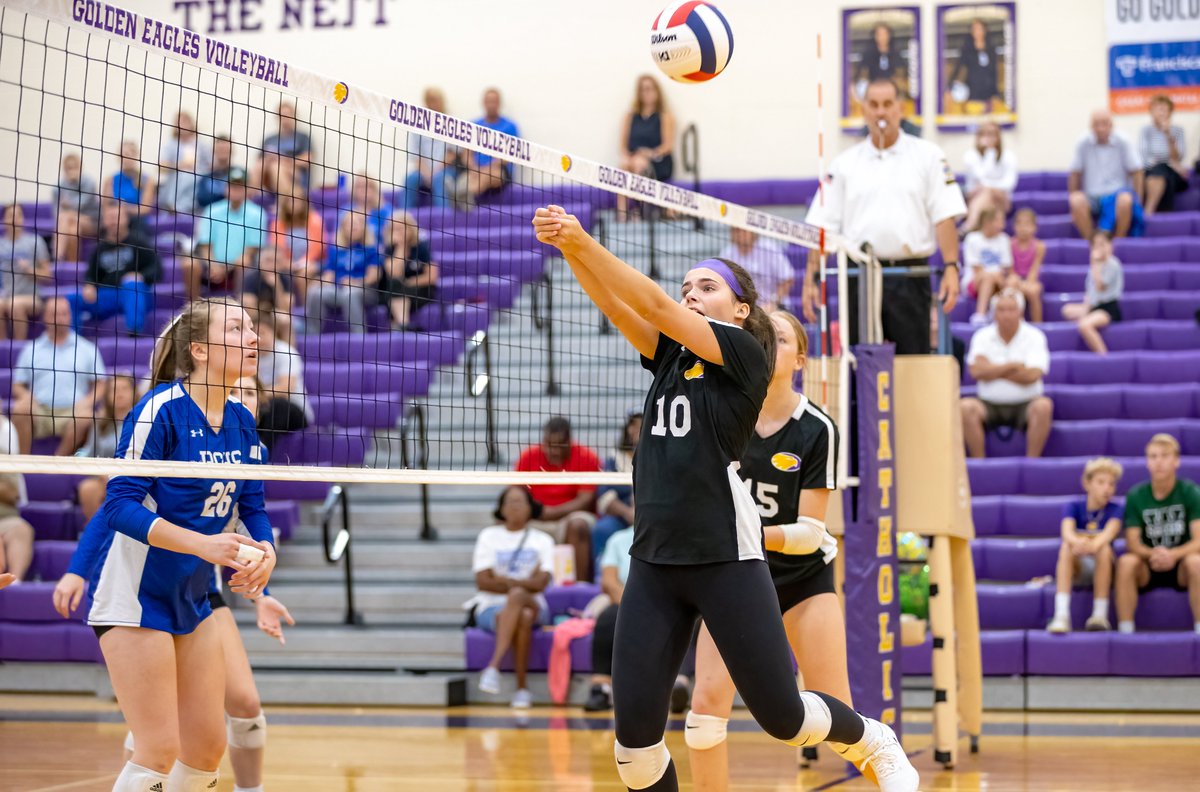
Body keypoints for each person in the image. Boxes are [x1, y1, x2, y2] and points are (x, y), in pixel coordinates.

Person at [533, 205, 917, 792]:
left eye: (706, 287)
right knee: (633, 747)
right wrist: (570, 252)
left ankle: (870, 737)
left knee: (784, 718)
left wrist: (585, 238)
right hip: (656, 558)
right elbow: (618, 306)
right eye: (686, 286)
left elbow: (655, 305)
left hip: (724, 557)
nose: (689, 294)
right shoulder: (670, 357)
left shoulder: (745, 354)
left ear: (741, 309)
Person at [83, 296, 276, 791]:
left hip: (191, 596)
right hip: (136, 594)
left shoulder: (242, 419)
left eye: (252, 329)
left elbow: (252, 507)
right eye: (237, 329)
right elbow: (118, 505)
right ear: (200, 349)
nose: (253, 338)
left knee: (207, 750)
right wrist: (202, 545)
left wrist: (267, 551)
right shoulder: (161, 410)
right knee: (158, 749)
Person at [687, 310, 853, 789]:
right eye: (759, 336)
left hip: (801, 577)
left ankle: (887, 764)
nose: (765, 344)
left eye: (778, 339)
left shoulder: (817, 428)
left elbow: (809, 533)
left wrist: (750, 533)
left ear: (799, 358)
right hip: (734, 577)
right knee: (706, 705)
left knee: (838, 713)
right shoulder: (720, 413)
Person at [54, 506, 293, 792]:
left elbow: (243, 518)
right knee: (157, 741)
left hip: (201, 590)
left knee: (243, 706)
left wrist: (261, 595)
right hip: (145, 588)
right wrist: (77, 571)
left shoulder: (237, 468)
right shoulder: (159, 470)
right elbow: (114, 507)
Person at [803, 78, 966, 355]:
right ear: (864, 110)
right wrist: (810, 278)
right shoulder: (843, 164)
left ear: (899, 109)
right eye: (874, 105)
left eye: (888, 104)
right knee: (858, 364)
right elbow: (822, 227)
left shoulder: (928, 156)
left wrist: (951, 266)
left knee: (911, 362)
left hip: (910, 276)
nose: (881, 112)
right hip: (858, 277)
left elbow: (945, 215)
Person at [468, 486, 556, 709]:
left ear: (530, 508)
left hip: (536, 604)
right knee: (522, 616)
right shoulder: (488, 536)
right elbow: (482, 581)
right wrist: (525, 582)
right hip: (490, 605)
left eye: (520, 502)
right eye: (510, 502)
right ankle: (522, 689)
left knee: (519, 599)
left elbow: (541, 583)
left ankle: (493, 667)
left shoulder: (543, 540)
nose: (515, 507)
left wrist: (503, 580)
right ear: (501, 508)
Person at [1116, 434, 1200, 635]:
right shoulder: (1137, 495)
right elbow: (1132, 542)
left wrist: (1173, 555)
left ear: (1176, 460)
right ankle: (1125, 632)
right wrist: (1153, 554)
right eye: (1153, 456)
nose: (1158, 461)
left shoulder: (1190, 492)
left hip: (1181, 566)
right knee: (1127, 562)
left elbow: (1199, 540)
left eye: (1164, 456)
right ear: (1147, 462)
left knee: (1196, 562)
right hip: (1148, 565)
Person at [960, 289, 1053, 459]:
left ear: (1020, 311)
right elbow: (975, 371)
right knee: (965, 407)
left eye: (1011, 309)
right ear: (994, 313)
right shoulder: (982, 336)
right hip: (988, 403)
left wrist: (992, 369)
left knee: (1043, 406)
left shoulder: (1035, 336)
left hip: (1027, 403)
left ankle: (1032, 462)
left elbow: (1033, 375)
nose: (1006, 315)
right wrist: (1013, 366)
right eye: (1001, 310)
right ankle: (978, 461)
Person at [10, 297, 107, 456]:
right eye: (55, 314)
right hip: (40, 410)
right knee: (20, 408)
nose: (60, 318)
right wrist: (26, 396)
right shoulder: (31, 349)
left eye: (64, 314)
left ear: (70, 316)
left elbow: (101, 383)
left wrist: (88, 401)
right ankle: (23, 463)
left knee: (87, 416)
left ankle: (58, 461)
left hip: (73, 412)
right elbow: (17, 384)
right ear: (45, 317)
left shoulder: (87, 348)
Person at [515, 416, 600, 583]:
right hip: (537, 517)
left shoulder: (586, 456)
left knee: (579, 526)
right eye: (548, 444)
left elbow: (585, 499)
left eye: (558, 445)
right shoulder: (528, 457)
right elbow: (516, 493)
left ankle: (579, 586)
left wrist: (550, 513)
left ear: (569, 441)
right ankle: (521, 585)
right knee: (510, 522)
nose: (553, 450)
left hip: (569, 516)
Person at [1047, 457, 1123, 634]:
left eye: (1111, 484)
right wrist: (1078, 542)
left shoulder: (1116, 509)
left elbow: (1109, 533)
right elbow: (1066, 532)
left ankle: (1099, 614)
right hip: (1079, 567)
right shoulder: (1073, 506)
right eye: (1101, 482)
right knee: (1066, 547)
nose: (1107, 488)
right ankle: (1062, 615)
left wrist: (1091, 543)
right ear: (1087, 483)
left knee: (1104, 549)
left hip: (1104, 568)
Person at [68, 198, 160, 336]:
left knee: (131, 285)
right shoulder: (99, 249)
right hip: (108, 297)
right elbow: (91, 275)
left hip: (133, 294)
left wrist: (140, 276)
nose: (113, 221)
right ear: (104, 221)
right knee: (72, 298)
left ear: (126, 220)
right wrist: (90, 285)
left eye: (117, 217)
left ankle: (134, 334)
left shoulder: (139, 242)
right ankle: (72, 339)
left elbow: (158, 269)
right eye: (109, 218)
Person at [184, 167, 267, 301]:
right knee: (189, 264)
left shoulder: (257, 214)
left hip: (238, 266)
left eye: (240, 187)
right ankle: (193, 307)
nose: (236, 190)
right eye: (232, 186)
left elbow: (251, 250)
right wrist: (213, 265)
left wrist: (226, 269)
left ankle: (241, 307)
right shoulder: (212, 210)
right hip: (212, 264)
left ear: (247, 189)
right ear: (226, 188)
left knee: (244, 262)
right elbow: (205, 244)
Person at [1068, 110, 1143, 239]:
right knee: (1075, 200)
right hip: (1091, 197)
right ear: (1091, 126)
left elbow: (1137, 171)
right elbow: (1074, 173)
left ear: (1111, 125)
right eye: (1096, 124)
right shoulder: (1082, 143)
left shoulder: (1124, 141)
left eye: (1105, 124)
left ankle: (1118, 242)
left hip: (1116, 194)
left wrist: (1139, 201)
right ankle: (1093, 244)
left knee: (1126, 200)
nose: (1101, 128)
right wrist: (1072, 199)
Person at [76, 373, 140, 522]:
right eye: (114, 389)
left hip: (136, 477)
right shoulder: (100, 424)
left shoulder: (144, 422)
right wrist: (77, 458)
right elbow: (88, 454)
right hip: (104, 477)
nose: (120, 393)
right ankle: (98, 535)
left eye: (124, 388)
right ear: (107, 396)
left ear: (134, 393)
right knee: (88, 488)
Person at [304, 211, 378, 334]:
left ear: (364, 227)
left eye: (356, 223)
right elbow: (329, 274)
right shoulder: (336, 250)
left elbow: (374, 276)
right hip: (339, 290)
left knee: (350, 293)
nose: (353, 227)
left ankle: (359, 336)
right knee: (315, 292)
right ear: (343, 228)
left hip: (364, 291)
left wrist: (355, 282)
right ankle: (312, 335)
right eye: (348, 224)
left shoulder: (371, 250)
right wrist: (320, 282)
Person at [617, 75, 676, 221]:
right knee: (624, 165)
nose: (646, 93)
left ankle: (642, 211)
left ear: (657, 91)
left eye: (649, 89)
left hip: (658, 161)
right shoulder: (630, 116)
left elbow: (667, 146)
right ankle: (622, 215)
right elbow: (623, 146)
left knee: (639, 164)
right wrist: (630, 156)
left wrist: (649, 153)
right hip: (634, 159)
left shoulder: (664, 116)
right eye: (642, 89)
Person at [250, 311, 311, 453]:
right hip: (263, 408)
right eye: (255, 333)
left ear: (273, 332)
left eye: (263, 332)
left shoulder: (286, 352)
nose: (259, 338)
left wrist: (257, 394)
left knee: (276, 405)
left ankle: (261, 454)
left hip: (295, 412)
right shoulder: (249, 355)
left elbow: (285, 389)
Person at [453, 88, 519, 210]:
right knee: (466, 176)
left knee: (491, 174)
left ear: (499, 103)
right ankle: (461, 193)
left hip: (499, 171)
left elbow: (507, 157)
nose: (491, 104)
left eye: (494, 101)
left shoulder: (509, 126)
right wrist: (474, 168)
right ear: (483, 103)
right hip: (475, 170)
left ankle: (464, 193)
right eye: (489, 101)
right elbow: (466, 153)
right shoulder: (474, 125)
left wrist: (484, 170)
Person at [1062, 230, 1123, 355]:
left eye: (1103, 244)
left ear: (1111, 245)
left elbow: (1100, 286)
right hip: (1094, 307)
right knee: (1067, 310)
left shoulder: (1113, 264)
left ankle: (1103, 356)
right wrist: (1085, 307)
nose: (1099, 248)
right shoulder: (1093, 268)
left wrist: (1095, 264)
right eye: (1096, 245)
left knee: (1084, 325)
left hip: (1108, 308)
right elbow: (1090, 292)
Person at [375, 212, 437, 330]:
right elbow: (394, 274)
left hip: (420, 290)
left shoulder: (421, 247)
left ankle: (399, 326)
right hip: (395, 290)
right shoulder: (389, 248)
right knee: (394, 286)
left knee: (395, 292)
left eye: (401, 228)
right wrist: (401, 247)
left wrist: (410, 282)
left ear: (410, 228)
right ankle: (404, 325)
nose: (399, 232)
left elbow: (432, 276)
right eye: (395, 229)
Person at [592, 413, 641, 562]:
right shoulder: (614, 459)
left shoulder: (662, 455)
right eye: (632, 425)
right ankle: (601, 576)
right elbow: (604, 494)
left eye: (640, 425)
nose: (634, 429)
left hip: (653, 514)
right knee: (602, 529)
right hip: (622, 515)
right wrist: (628, 513)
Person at [0, 203, 52, 341]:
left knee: (14, 305)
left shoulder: (35, 241)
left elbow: (47, 275)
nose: (14, 219)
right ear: (4, 220)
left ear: (23, 218)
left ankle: (18, 347)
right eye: (11, 215)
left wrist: (29, 269)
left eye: (18, 215)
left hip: (32, 297)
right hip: (5, 296)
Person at [402, 88, 458, 209]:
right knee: (410, 179)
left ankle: (444, 220)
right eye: (431, 100)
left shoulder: (451, 123)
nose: (434, 104)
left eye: (437, 100)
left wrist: (435, 172)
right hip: (423, 170)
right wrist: (427, 173)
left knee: (439, 179)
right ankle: (404, 218)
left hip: (445, 170)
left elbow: (452, 154)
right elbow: (416, 156)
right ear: (426, 103)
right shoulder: (418, 125)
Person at [718, 228, 793, 313]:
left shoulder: (769, 248)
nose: (740, 234)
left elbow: (788, 278)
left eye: (743, 230)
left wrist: (773, 302)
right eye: (736, 230)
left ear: (753, 232)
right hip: (743, 308)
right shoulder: (727, 253)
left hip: (775, 305)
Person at [961, 121, 1017, 232]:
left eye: (991, 134)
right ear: (979, 136)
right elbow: (980, 176)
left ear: (998, 137)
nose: (988, 138)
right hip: (974, 198)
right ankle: (979, 230)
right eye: (984, 134)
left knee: (988, 192)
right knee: (987, 196)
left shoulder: (1009, 156)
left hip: (1001, 199)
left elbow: (1009, 184)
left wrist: (989, 188)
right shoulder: (970, 156)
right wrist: (989, 153)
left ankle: (968, 228)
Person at [267, 194, 324, 302]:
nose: (294, 204)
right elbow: (276, 248)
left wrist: (302, 262)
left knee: (304, 275)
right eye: (290, 201)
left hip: (312, 263)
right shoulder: (278, 223)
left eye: (297, 201)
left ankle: (306, 309)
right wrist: (287, 263)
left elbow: (318, 247)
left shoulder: (315, 220)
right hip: (285, 263)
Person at [1139, 95, 1190, 216]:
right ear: (1151, 111)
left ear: (1170, 112)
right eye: (1158, 109)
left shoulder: (1178, 130)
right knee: (1162, 172)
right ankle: (1159, 214)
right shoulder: (1146, 131)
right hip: (1153, 171)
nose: (1161, 113)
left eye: (1164, 109)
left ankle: (1148, 212)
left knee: (1166, 173)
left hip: (1173, 174)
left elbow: (1179, 157)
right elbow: (1144, 158)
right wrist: (1168, 163)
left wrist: (1168, 135)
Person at [252, 100, 312, 200]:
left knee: (276, 167)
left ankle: (283, 203)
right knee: (260, 164)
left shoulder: (302, 137)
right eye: (282, 115)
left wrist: (285, 161)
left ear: (294, 116)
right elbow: (259, 160)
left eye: (288, 115)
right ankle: (251, 200)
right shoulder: (269, 139)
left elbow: (307, 159)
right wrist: (269, 159)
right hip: (269, 174)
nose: (285, 119)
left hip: (293, 173)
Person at [962, 207, 1012, 325]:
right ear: (987, 222)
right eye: (999, 221)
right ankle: (980, 315)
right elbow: (977, 269)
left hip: (998, 280)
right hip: (975, 281)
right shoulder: (972, 238)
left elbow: (1006, 267)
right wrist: (995, 275)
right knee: (987, 278)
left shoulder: (1004, 239)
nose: (1002, 225)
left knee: (1013, 281)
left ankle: (1015, 317)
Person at [0, 411, 33, 584]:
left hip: (5, 517)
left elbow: (13, 493)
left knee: (22, 529)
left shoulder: (3, 453)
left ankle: (15, 582)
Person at [157, 110, 209, 217]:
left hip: (197, 180)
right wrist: (180, 165)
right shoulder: (171, 144)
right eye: (178, 122)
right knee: (183, 176)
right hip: (176, 180)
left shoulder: (201, 144)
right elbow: (161, 166)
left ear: (191, 124)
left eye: (185, 122)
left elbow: (211, 164)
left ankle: (181, 207)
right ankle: (174, 207)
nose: (182, 125)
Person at [53, 150, 101, 262]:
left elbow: (80, 204)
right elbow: (56, 213)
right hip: (72, 222)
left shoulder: (89, 182)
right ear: (64, 169)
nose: (72, 170)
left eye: (75, 167)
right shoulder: (58, 188)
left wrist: (68, 208)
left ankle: (57, 255)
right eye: (69, 168)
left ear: (80, 167)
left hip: (91, 221)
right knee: (73, 230)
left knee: (65, 217)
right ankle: (73, 264)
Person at [949, 19, 1001, 111]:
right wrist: (951, 84)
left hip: (989, 90)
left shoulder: (991, 50)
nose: (977, 32)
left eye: (980, 29)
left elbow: (995, 71)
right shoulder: (967, 49)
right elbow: (959, 67)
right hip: (973, 90)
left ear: (985, 30)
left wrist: (996, 92)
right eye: (975, 29)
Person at [1007, 208, 1045, 324]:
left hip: (1030, 280)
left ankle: (1038, 323)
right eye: (1019, 224)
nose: (1023, 228)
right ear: (1014, 226)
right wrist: (1017, 282)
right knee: (1011, 284)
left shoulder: (1039, 246)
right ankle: (1015, 322)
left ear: (1035, 227)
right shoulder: (1009, 244)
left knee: (1033, 291)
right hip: (1014, 279)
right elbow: (1011, 270)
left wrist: (1026, 284)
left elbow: (1034, 270)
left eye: (1027, 224)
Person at [103, 140, 156, 217]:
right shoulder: (110, 180)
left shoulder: (147, 180)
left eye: (128, 155)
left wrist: (124, 209)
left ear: (136, 156)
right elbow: (105, 208)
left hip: (137, 220)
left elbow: (145, 209)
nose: (125, 159)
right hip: (114, 219)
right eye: (122, 156)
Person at [196, 135, 235, 210]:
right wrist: (225, 195)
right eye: (220, 149)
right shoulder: (205, 176)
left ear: (231, 151)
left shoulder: (239, 174)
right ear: (214, 151)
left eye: (225, 149)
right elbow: (202, 200)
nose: (223, 152)